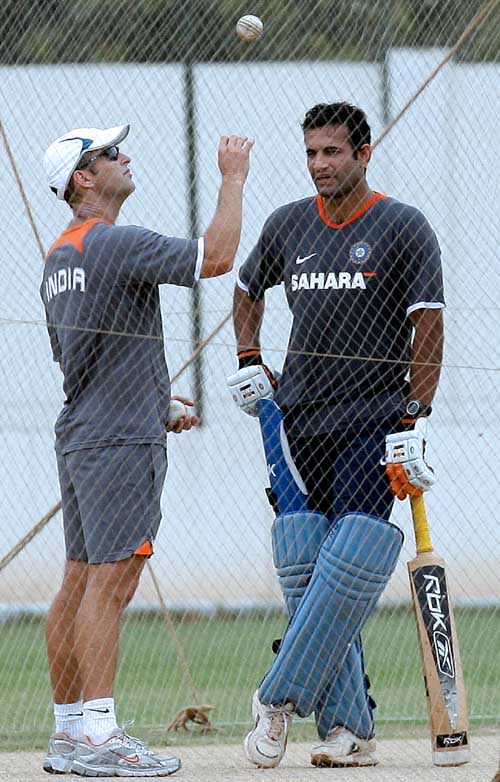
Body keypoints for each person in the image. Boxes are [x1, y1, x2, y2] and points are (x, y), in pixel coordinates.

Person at [227, 102, 444, 768]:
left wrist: (413, 416)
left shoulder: (403, 227)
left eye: (334, 153)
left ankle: (279, 700)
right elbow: (246, 286)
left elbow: (429, 328)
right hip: (298, 419)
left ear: (364, 154)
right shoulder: (289, 223)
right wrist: (247, 357)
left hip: (373, 418)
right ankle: (351, 728)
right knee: (305, 567)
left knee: (347, 559)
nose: (322, 164)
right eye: (313, 154)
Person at [41, 123, 253, 777]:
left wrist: (151, 405)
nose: (124, 156)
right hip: (116, 443)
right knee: (110, 587)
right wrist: (233, 177)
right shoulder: (112, 244)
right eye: (109, 153)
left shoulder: (59, 258)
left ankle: (71, 734)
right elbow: (216, 256)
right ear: (83, 178)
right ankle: (101, 737)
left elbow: (81, 358)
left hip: (86, 432)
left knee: (78, 583)